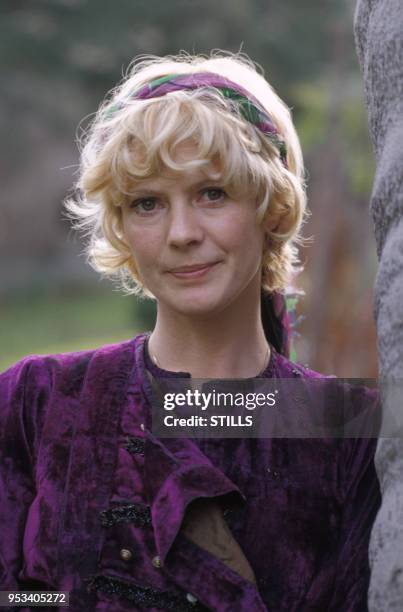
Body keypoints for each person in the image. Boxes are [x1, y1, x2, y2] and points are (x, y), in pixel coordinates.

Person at [0, 52, 381, 611]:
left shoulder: (350, 429)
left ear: (270, 208)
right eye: (148, 203)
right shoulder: (35, 402)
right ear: (123, 226)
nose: (181, 233)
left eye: (212, 193)